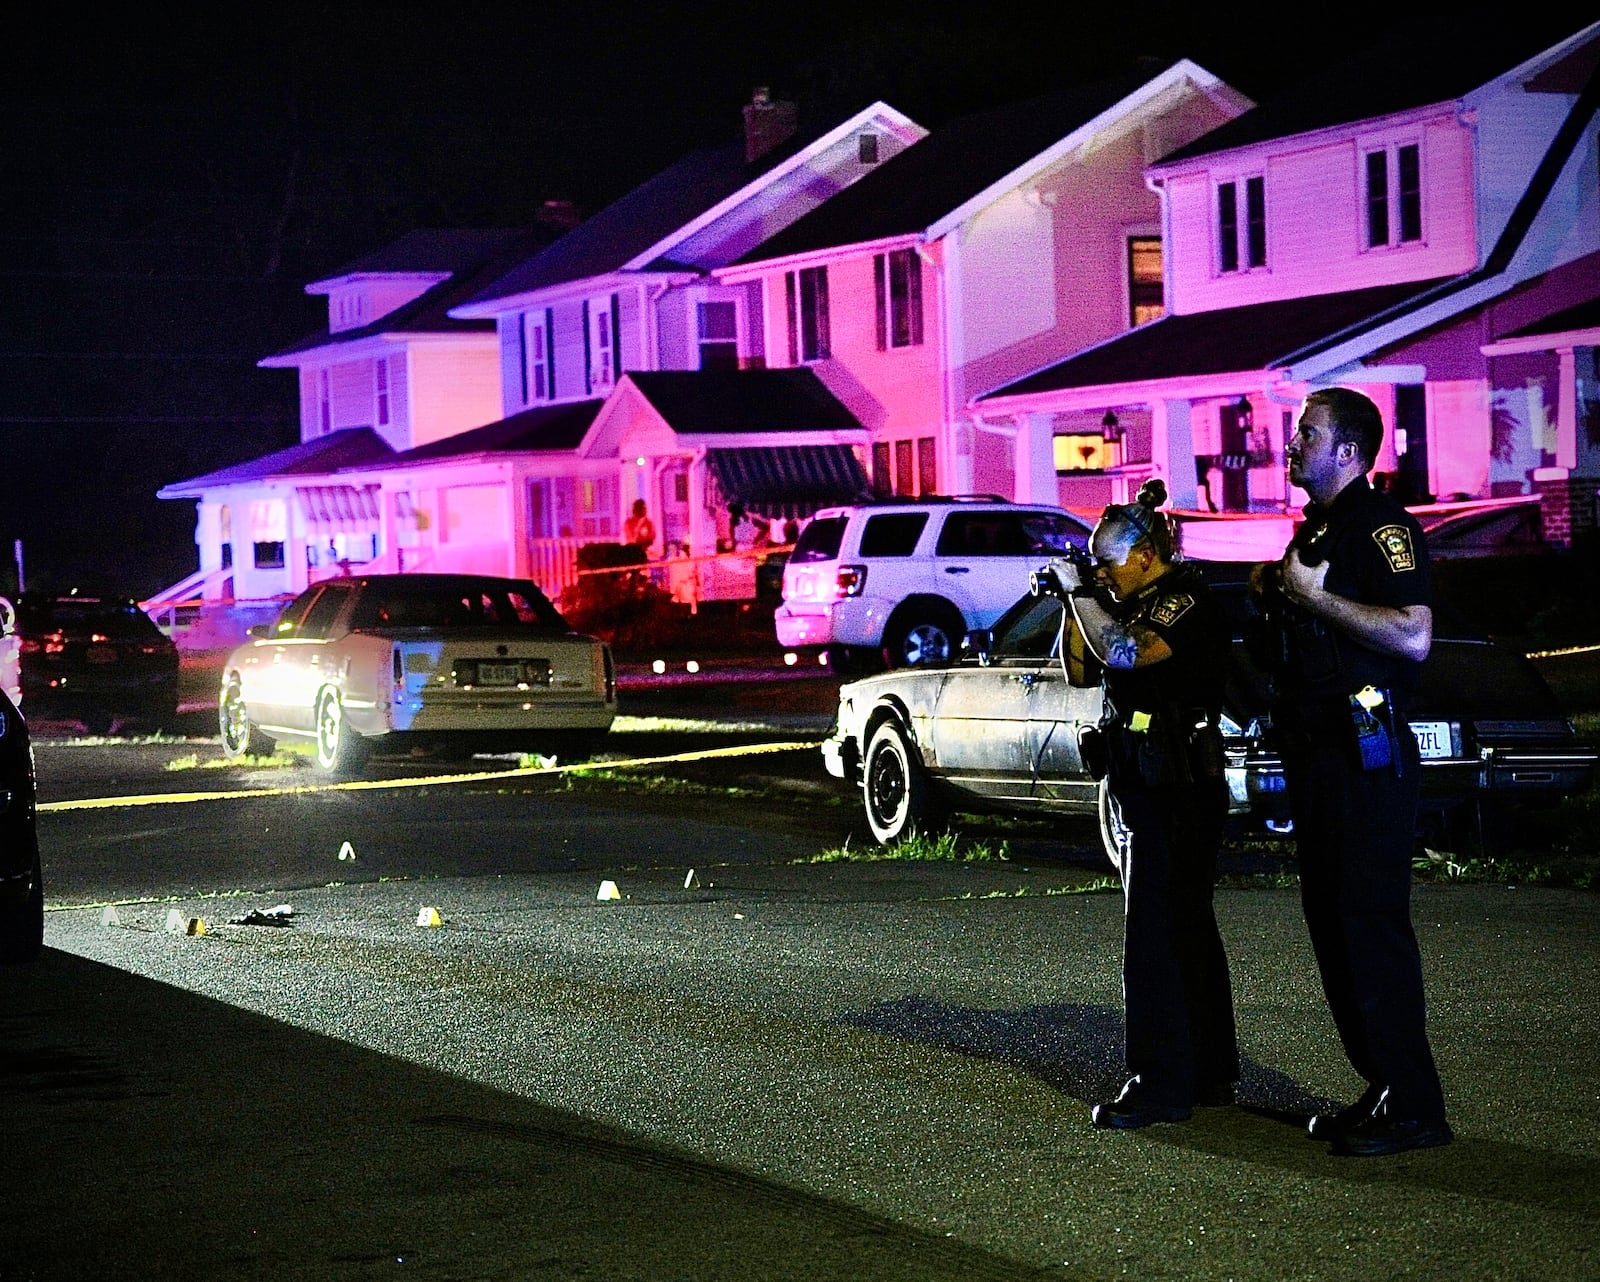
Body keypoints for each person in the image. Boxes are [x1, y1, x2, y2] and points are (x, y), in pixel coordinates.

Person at [1250, 386, 1450, 1157]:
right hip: (1318, 757)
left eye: (1307, 433)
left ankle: (1417, 1107)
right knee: (1333, 931)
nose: (1291, 443)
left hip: (1368, 757)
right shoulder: (1317, 531)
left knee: (1370, 928)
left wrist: (1314, 596)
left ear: (1350, 452)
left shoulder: (1383, 528)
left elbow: (1414, 636)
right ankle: (1386, 1083)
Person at [1045, 478, 1239, 1129]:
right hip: (1150, 778)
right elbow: (1079, 667)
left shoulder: (1181, 599)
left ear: (1147, 555)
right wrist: (1084, 599)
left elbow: (1125, 653)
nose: (1101, 570)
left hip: (1178, 783)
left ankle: (1160, 1082)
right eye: (1096, 562)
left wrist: (1081, 593)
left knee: (1156, 934)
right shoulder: (1121, 601)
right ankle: (1209, 1071)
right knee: (1182, 925)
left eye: (1110, 560)